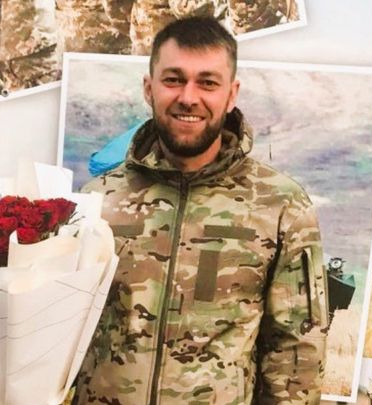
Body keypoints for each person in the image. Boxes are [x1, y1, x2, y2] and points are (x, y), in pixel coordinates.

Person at [73, 16, 328, 405]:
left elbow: (297, 354)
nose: (188, 97)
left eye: (207, 82)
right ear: (149, 88)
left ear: (231, 93)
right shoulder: (98, 199)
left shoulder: (281, 206)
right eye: (173, 79)